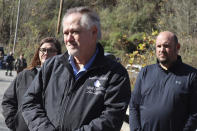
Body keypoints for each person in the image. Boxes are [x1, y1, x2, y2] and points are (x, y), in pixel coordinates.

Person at [22, 6, 131, 131]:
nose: (68, 39)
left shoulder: (115, 74)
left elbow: (110, 121)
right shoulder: (51, 66)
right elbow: (29, 103)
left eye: (74, 32)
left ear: (94, 32)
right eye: (65, 33)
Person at [129, 31, 197, 131]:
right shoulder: (145, 72)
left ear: (177, 47)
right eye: (158, 46)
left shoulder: (191, 75)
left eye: (166, 46)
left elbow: (194, 114)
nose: (161, 50)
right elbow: (134, 105)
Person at [1, 37, 62, 131]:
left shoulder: (62, 79)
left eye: (51, 50)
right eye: (43, 50)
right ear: (38, 52)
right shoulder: (24, 75)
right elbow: (8, 100)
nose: (46, 53)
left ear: (58, 54)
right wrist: (14, 122)